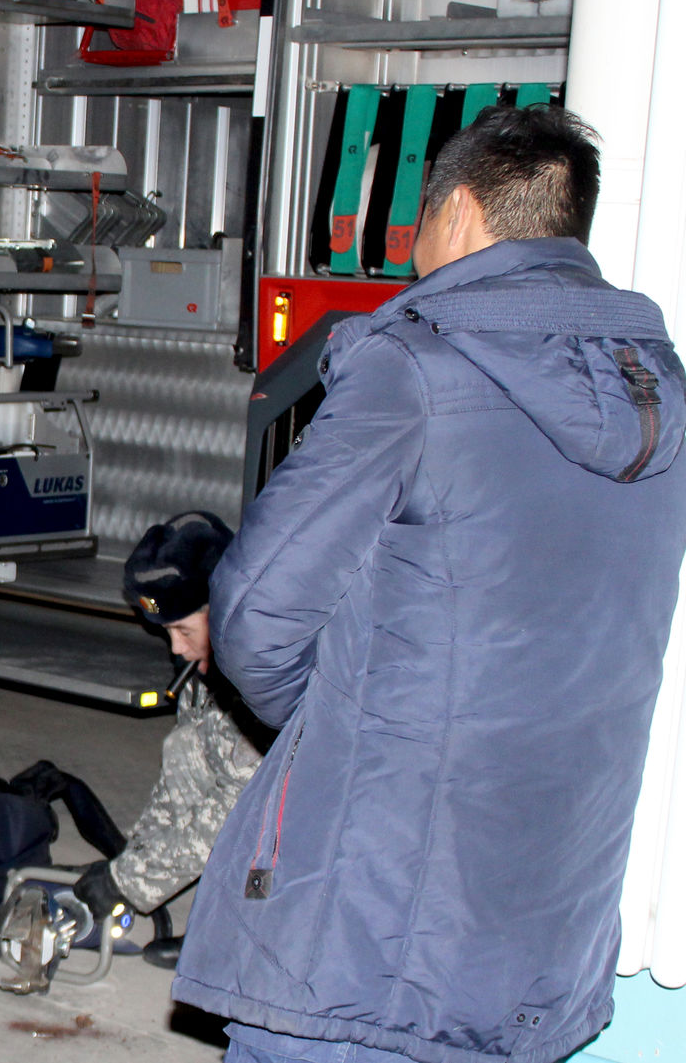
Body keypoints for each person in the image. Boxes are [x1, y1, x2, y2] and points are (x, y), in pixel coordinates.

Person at [173, 105, 686, 1063]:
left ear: (453, 213)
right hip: (545, 930)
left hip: (373, 927)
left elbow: (254, 613)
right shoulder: (661, 390)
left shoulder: (414, 368)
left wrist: (340, 719)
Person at [69, 511, 270, 970]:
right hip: (256, 805)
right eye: (167, 633)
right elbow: (184, 778)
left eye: (184, 631)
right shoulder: (208, 668)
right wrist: (133, 859)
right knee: (186, 746)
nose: (176, 648)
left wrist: (130, 883)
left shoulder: (264, 675)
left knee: (270, 836)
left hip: (328, 831)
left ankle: (244, 932)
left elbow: (233, 810)